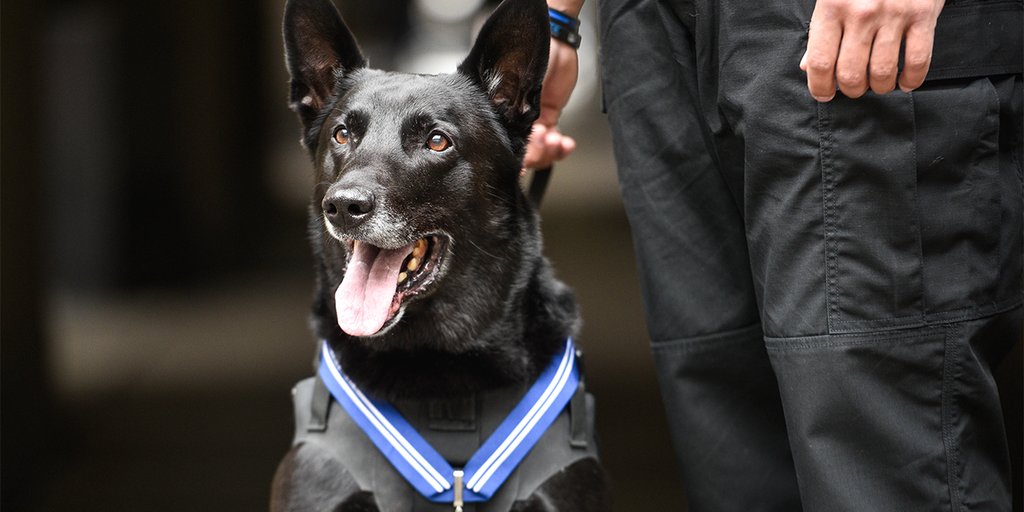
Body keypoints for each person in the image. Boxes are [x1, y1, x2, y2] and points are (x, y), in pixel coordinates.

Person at [527, 0, 1023, 510]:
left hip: (831, 33)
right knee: (734, 461)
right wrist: (557, 19)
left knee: (885, 461)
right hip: (652, 30)